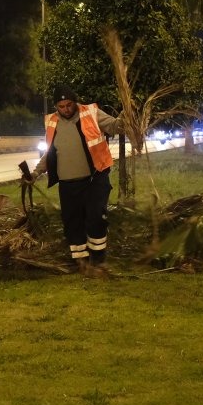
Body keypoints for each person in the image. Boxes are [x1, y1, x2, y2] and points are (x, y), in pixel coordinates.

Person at [28, 87, 121, 277]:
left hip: (94, 179)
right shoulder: (52, 121)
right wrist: (36, 173)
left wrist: (127, 117)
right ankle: (81, 262)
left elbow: (114, 126)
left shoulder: (91, 113)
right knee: (72, 223)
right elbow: (50, 153)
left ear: (75, 102)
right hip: (68, 184)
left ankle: (98, 260)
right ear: (56, 107)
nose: (66, 109)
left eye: (69, 104)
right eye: (61, 106)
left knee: (96, 218)